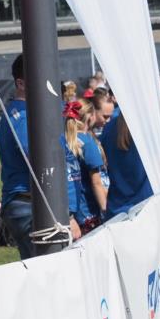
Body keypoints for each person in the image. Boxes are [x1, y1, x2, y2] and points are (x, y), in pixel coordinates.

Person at [0, 55, 35, 260]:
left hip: (21, 202)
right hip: (26, 203)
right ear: (20, 83)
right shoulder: (22, 114)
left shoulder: (17, 111)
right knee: (45, 269)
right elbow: (34, 157)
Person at [62, 99, 106, 239]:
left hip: (74, 210)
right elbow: (96, 182)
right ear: (90, 117)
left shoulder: (65, 140)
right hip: (89, 212)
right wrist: (105, 209)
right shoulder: (87, 143)